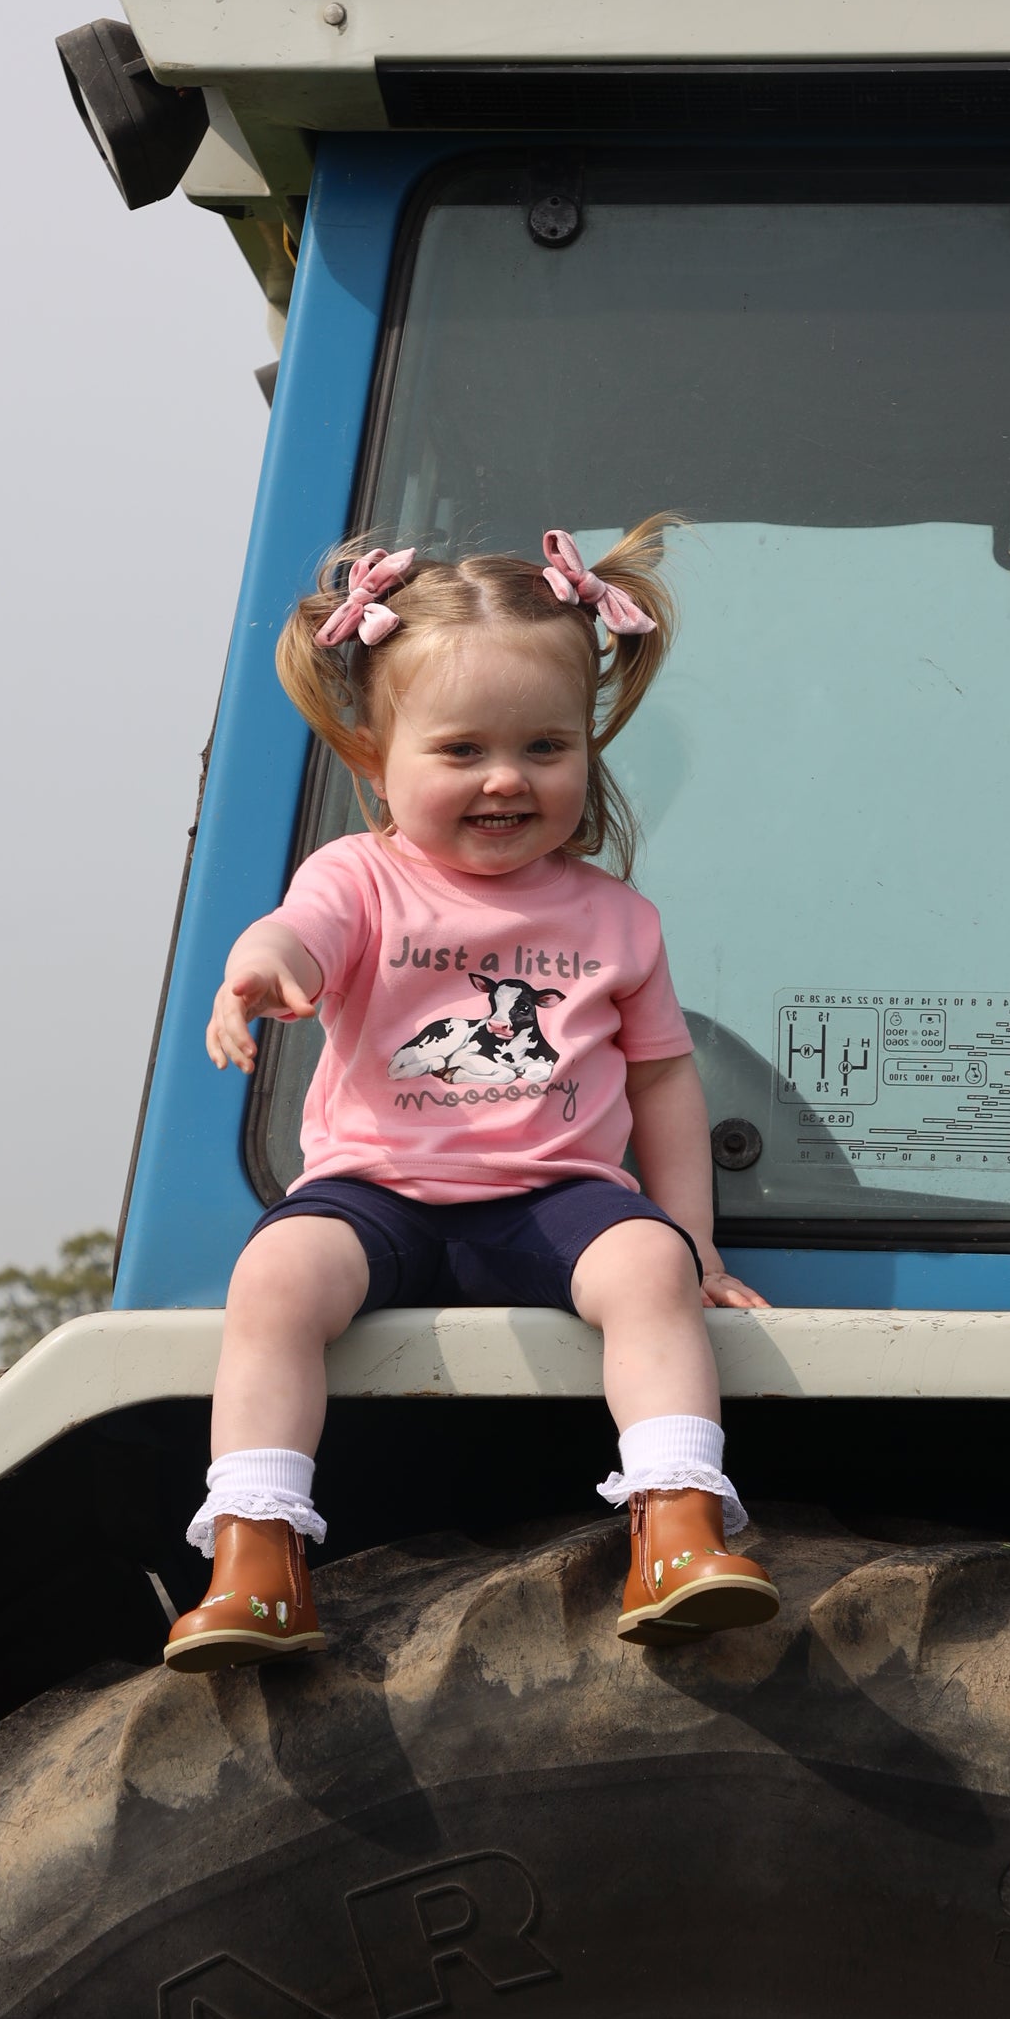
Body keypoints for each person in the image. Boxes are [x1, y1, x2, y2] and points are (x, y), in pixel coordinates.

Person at [162, 520, 777, 1670]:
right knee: (275, 1275)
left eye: (544, 746)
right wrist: (265, 964)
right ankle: (255, 1551)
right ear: (374, 757)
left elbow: (661, 1085)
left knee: (647, 1269)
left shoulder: (614, 920)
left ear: (586, 752)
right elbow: (303, 929)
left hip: (551, 1199)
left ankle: (677, 1527)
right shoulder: (361, 877)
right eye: (460, 751)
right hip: (377, 1194)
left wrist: (693, 1239)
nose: (505, 777)